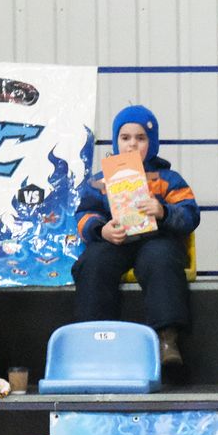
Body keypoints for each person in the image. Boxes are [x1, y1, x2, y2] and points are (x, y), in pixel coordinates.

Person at [71, 105, 200, 383]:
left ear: (152, 142)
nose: (132, 144)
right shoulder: (100, 181)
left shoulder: (168, 179)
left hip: (156, 239)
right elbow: (84, 214)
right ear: (116, 141)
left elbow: (190, 215)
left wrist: (163, 211)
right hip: (116, 241)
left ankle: (167, 341)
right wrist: (101, 229)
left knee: (161, 260)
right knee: (93, 263)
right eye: (125, 137)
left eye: (141, 138)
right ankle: (93, 341)